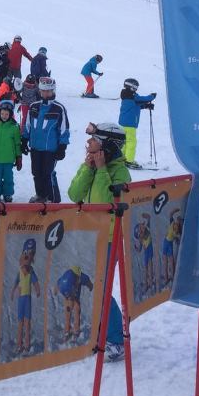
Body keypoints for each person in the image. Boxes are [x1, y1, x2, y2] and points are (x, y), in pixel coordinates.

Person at [67, 122, 131, 361]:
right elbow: (74, 194)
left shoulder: (120, 173)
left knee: (102, 289)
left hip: (108, 238)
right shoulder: (91, 167)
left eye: (93, 141)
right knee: (89, 287)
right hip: (88, 236)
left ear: (107, 146)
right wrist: (88, 168)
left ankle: (115, 339)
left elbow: (107, 202)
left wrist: (102, 169)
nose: (88, 145)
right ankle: (99, 330)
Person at [23, 77, 70, 203]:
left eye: (48, 91)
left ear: (53, 91)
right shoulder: (33, 106)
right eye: (43, 91)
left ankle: (52, 199)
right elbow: (27, 125)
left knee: (47, 173)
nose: (45, 94)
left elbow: (64, 130)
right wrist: (24, 140)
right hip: (35, 147)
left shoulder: (58, 108)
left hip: (50, 149)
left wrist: (62, 147)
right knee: (36, 172)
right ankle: (40, 196)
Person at [10, 238, 40, 354]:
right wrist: (13, 292)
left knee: (27, 322)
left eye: (30, 254)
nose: (28, 257)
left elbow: (35, 282)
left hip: (27, 299)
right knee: (20, 322)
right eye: (26, 254)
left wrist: (37, 290)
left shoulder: (31, 272)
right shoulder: (20, 271)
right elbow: (16, 282)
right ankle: (19, 344)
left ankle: (26, 344)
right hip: (21, 300)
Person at [118, 78, 156, 170]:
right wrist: (152, 96)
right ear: (131, 87)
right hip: (130, 124)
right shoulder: (132, 96)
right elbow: (142, 99)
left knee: (125, 141)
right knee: (131, 142)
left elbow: (135, 105)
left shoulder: (127, 95)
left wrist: (146, 106)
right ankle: (129, 161)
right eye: (135, 87)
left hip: (123, 123)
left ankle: (122, 158)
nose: (136, 89)